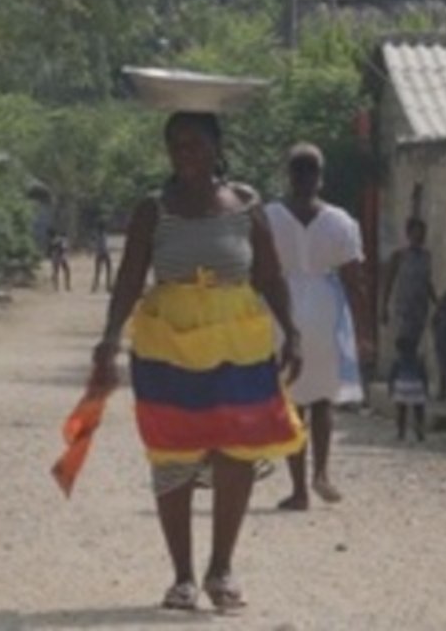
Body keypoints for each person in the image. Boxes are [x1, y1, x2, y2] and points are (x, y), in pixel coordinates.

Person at [90, 111, 304, 613]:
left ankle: (221, 569)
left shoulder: (247, 205)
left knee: (239, 451)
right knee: (173, 453)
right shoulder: (152, 210)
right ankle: (183, 577)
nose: (185, 153)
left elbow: (270, 276)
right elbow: (129, 278)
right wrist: (108, 339)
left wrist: (291, 331)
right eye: (176, 144)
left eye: (195, 143)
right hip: (169, 345)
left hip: (239, 344)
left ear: (216, 146)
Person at [264, 143, 371, 511]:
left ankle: (298, 489)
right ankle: (321, 472)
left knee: (291, 400)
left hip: (281, 310)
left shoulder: (268, 217)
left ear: (289, 175)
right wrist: (364, 328)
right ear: (320, 177)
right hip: (326, 309)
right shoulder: (341, 221)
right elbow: (355, 279)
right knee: (323, 399)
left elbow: (257, 272)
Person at [382, 217, 437, 352]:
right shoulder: (399, 256)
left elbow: (427, 282)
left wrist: (437, 302)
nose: (419, 237)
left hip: (420, 308)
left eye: (422, 233)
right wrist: (384, 307)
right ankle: (403, 370)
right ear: (409, 234)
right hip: (404, 309)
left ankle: (410, 369)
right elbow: (389, 281)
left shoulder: (426, 256)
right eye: (415, 233)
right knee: (403, 342)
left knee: (415, 342)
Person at [390, 336, 429, 441]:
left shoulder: (397, 360)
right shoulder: (419, 359)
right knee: (419, 410)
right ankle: (420, 431)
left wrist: (391, 389)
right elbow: (424, 375)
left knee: (401, 411)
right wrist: (426, 390)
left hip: (402, 385)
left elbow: (392, 376)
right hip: (416, 385)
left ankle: (401, 433)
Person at [91, 222, 113, 292]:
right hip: (102, 253)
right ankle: (97, 286)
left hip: (103, 253)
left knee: (102, 271)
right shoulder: (100, 234)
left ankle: (104, 286)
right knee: (100, 271)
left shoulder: (102, 234)